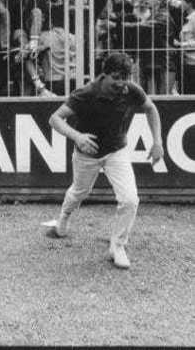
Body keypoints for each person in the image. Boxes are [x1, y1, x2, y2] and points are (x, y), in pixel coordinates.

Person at [43, 52, 163, 270]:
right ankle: (63, 220)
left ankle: (117, 246)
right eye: (116, 76)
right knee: (79, 192)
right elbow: (55, 119)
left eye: (125, 76)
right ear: (104, 75)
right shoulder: (87, 93)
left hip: (117, 151)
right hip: (86, 155)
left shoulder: (131, 90)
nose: (121, 82)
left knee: (130, 199)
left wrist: (157, 142)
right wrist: (77, 136)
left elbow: (151, 108)